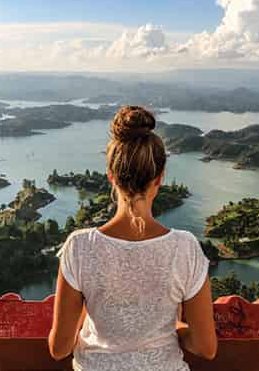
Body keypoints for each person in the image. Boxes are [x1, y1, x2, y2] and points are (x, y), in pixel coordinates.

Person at [49, 105, 217, 370]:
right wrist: (175, 326)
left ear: (111, 177)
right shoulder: (185, 247)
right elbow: (205, 347)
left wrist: (89, 312)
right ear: (160, 178)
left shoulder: (80, 246)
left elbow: (59, 349)